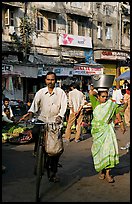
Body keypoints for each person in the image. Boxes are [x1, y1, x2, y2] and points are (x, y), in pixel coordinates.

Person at [19, 71, 67, 182]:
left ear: (55, 80)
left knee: (56, 151)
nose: (50, 82)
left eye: (52, 79)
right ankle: (38, 150)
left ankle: (53, 173)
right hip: (42, 120)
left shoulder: (60, 93)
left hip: (55, 122)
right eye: (48, 79)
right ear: (45, 80)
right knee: (35, 132)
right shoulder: (40, 92)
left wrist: (60, 116)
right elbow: (34, 106)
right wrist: (29, 113)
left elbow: (64, 106)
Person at [89, 87, 126, 183]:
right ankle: (101, 170)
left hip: (108, 131)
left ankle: (108, 173)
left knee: (109, 151)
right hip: (98, 132)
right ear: (98, 97)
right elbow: (91, 93)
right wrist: (97, 87)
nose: (105, 98)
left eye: (106, 96)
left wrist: (121, 124)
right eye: (103, 96)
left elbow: (117, 113)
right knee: (100, 151)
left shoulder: (111, 105)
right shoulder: (95, 103)